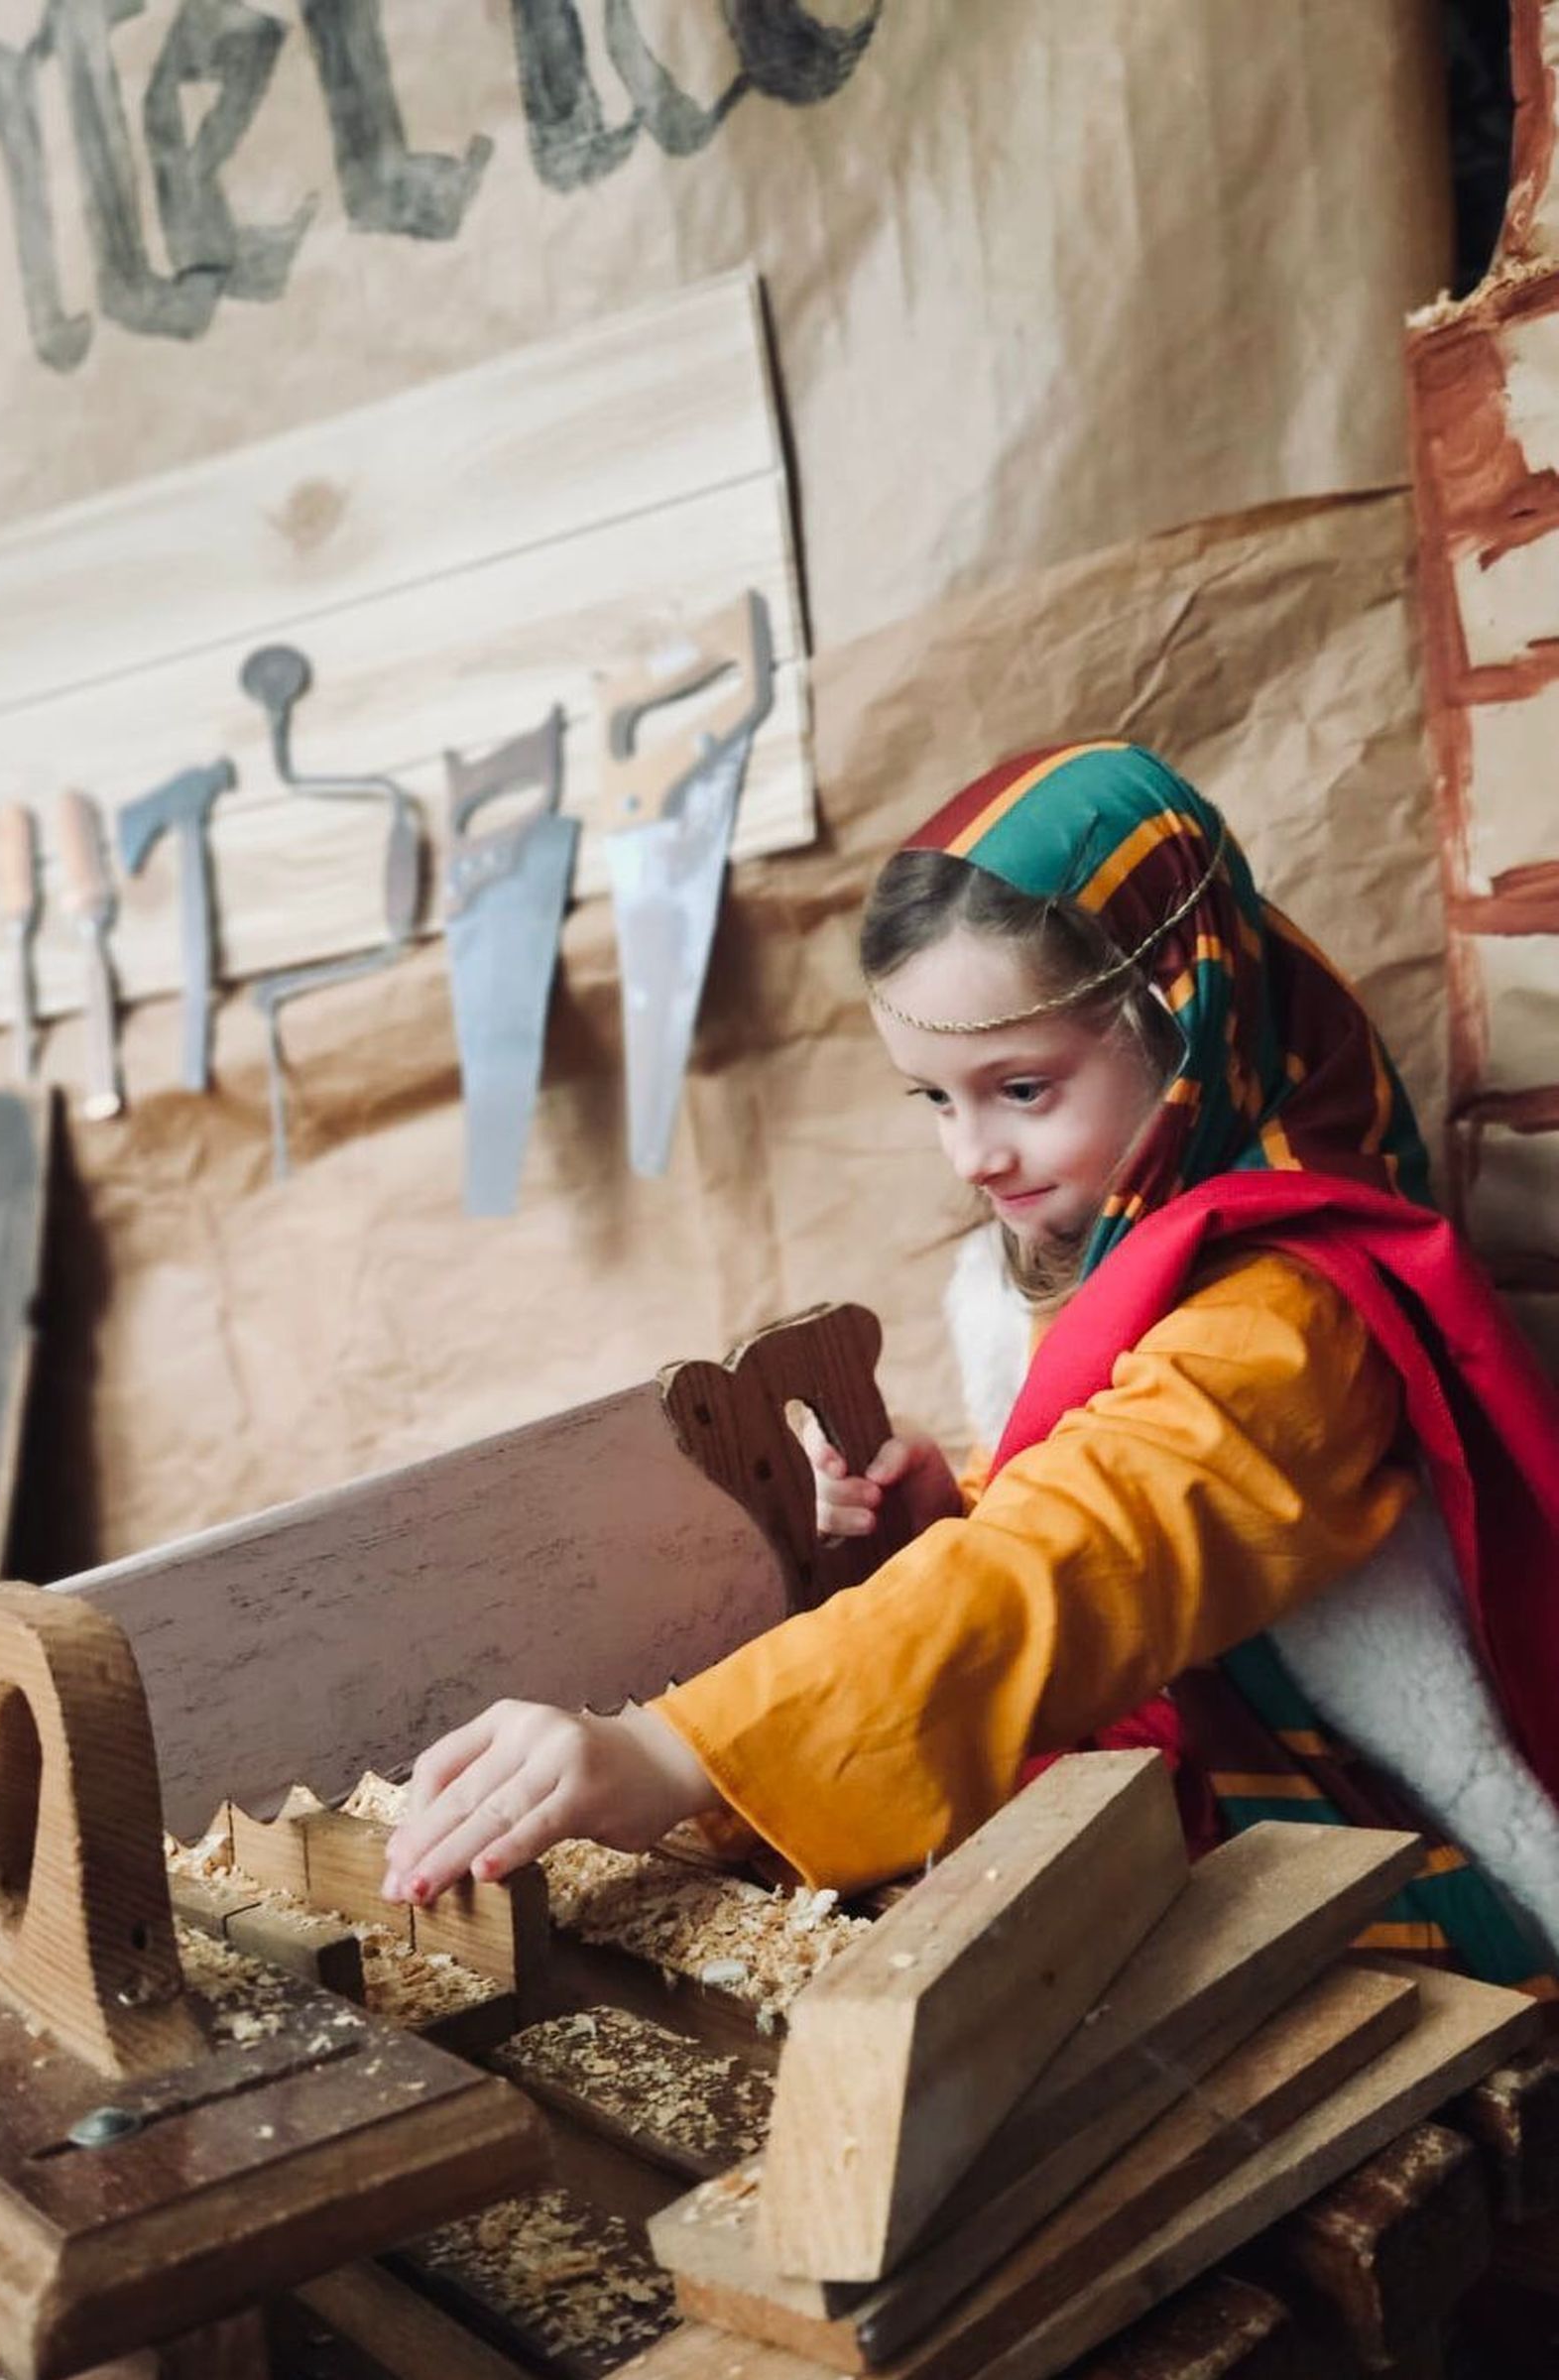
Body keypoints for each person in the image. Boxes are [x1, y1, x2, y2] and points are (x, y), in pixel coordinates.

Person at [383, 741, 1559, 1989]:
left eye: (1019, 1087)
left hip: (1355, 1832)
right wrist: (955, 1508)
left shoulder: (1288, 1313)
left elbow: (1087, 1555)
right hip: (1201, 1745)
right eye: (933, 1100)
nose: (973, 1155)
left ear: (1185, 1016)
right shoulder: (1125, 1227)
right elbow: (1079, 1509)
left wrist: (677, 1748)